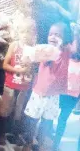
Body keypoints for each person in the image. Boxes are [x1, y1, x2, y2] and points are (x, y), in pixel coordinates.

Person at [23, 22, 73, 151]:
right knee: (32, 120)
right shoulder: (46, 50)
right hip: (39, 93)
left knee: (47, 122)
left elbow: (75, 45)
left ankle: (39, 145)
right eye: (51, 34)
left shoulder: (67, 50)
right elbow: (31, 55)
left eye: (57, 34)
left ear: (65, 38)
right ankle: (27, 144)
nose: (53, 37)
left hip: (54, 95)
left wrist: (74, 30)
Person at [1, 19, 36, 144]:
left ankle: (14, 134)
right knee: (6, 108)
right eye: (23, 32)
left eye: (30, 32)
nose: (26, 35)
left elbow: (34, 68)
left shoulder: (34, 49)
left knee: (19, 109)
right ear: (19, 32)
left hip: (24, 86)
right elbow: (4, 65)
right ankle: (1, 134)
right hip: (11, 83)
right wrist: (20, 70)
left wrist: (29, 69)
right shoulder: (14, 45)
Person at [53, 27, 80, 150]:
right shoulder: (64, 54)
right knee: (50, 116)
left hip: (72, 95)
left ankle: (55, 144)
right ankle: (46, 139)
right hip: (58, 90)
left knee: (62, 119)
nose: (70, 44)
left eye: (74, 42)